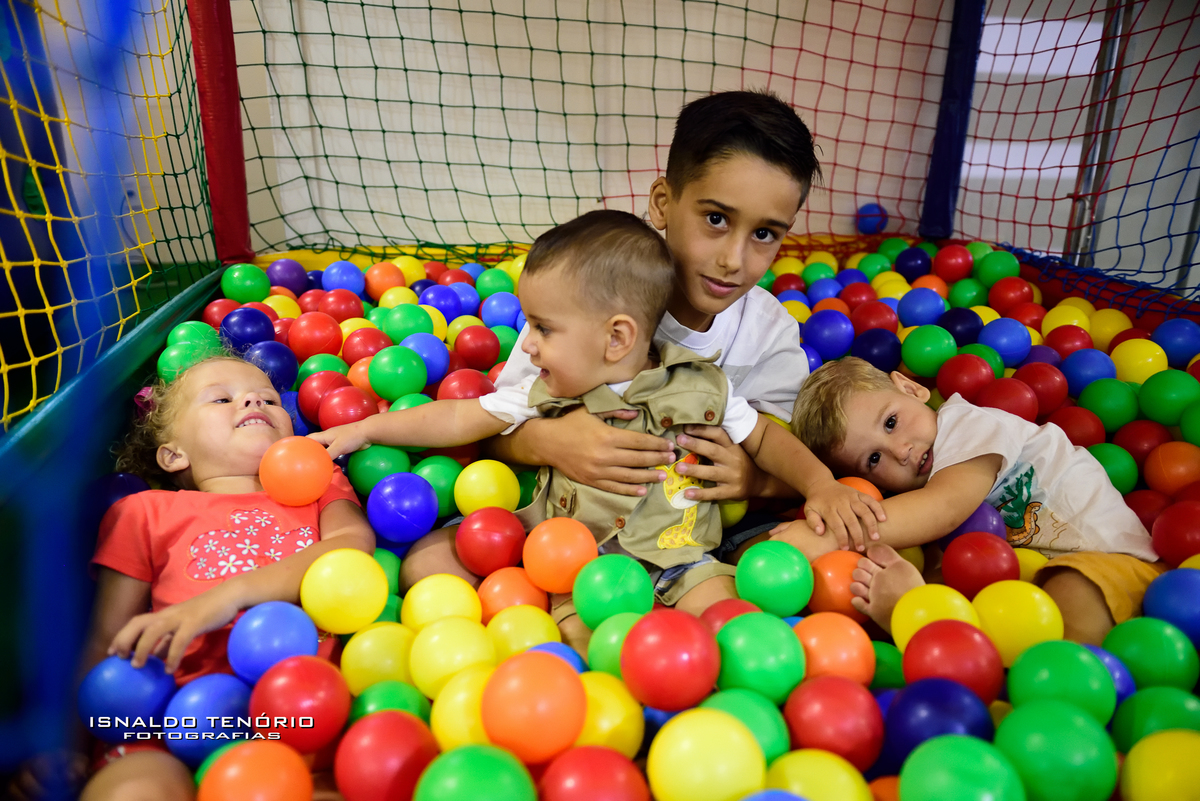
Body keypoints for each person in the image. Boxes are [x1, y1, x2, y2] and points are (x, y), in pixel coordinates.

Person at [313, 210, 883, 652]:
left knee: (737, 631)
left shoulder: (702, 387)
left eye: (542, 327)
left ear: (616, 337)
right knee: (461, 584)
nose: (527, 343)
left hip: (680, 557)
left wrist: (821, 486)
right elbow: (461, 416)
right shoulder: (546, 387)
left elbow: (766, 438)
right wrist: (368, 427)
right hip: (567, 557)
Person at [397, 89, 885, 591]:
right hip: (555, 522)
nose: (734, 259)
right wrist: (554, 441)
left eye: (764, 234)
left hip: (678, 544)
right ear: (662, 203)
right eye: (716, 219)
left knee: (790, 571)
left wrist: (753, 481)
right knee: (427, 567)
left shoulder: (769, 332)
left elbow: (796, 454)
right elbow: (495, 424)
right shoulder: (587, 296)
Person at [63, 356, 373, 801]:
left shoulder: (320, 481)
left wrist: (228, 596)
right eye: (222, 399)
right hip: (167, 720)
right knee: (135, 789)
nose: (252, 400)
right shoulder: (145, 511)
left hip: (304, 718)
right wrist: (65, 748)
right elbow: (105, 640)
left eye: (269, 398)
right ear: (174, 454)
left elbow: (352, 545)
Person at [773, 356, 1162, 646]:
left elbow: (944, 507)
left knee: (1070, 588)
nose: (901, 451)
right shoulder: (911, 499)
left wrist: (828, 537)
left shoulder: (968, 425)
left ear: (910, 388)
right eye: (873, 460)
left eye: (891, 422)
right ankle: (934, 632)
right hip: (1021, 591)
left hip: (1119, 570)